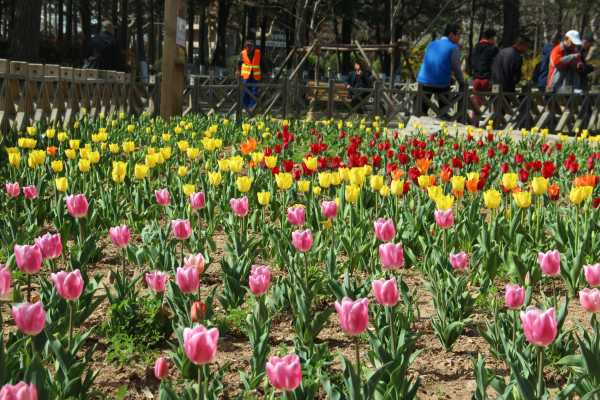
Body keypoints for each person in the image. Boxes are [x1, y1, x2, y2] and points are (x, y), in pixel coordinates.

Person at [416, 23, 466, 117]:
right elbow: (456, 68)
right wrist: (462, 82)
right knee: (444, 107)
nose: (459, 38)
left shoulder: (431, 44)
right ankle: (444, 116)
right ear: (451, 34)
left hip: (422, 81)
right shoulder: (453, 48)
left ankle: (419, 119)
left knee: (420, 110)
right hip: (441, 84)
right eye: (458, 35)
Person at [470, 29, 499, 116]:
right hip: (488, 80)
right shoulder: (493, 48)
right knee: (496, 98)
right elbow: (496, 65)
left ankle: (475, 122)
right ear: (492, 38)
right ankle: (494, 119)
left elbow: (472, 61)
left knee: (477, 102)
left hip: (475, 79)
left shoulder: (476, 46)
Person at [238, 40, 263, 111]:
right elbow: (239, 63)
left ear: (253, 46)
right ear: (245, 46)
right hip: (246, 76)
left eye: (251, 45)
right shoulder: (242, 53)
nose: (249, 47)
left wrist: (267, 72)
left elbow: (262, 63)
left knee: (254, 91)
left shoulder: (258, 53)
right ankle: (245, 107)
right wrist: (237, 71)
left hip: (255, 76)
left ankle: (252, 107)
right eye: (247, 45)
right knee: (245, 91)